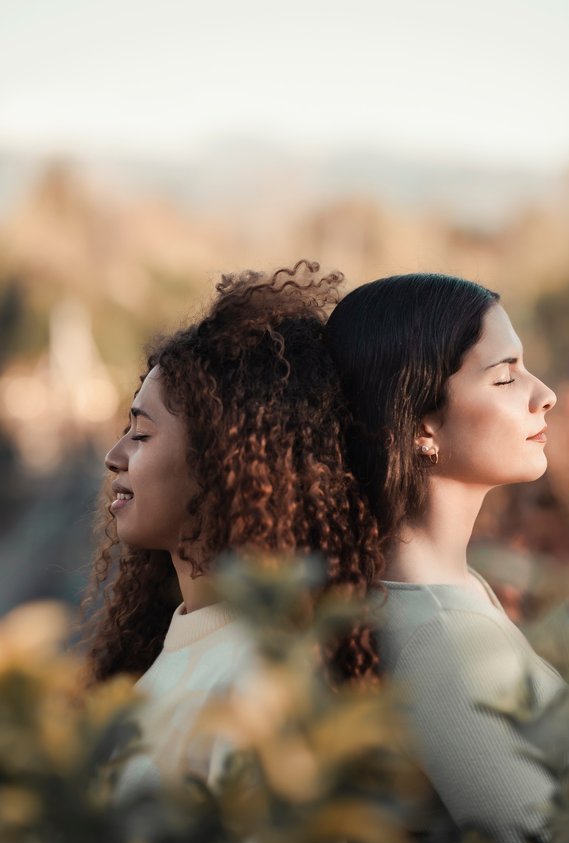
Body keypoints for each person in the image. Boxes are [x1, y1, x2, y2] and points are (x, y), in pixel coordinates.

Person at [324, 273, 569, 843]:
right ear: (421, 425)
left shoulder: (447, 593)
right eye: (505, 376)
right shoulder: (438, 635)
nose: (544, 394)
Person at [80, 260, 381, 796]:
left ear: (223, 460)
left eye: (141, 434)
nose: (114, 455)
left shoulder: (261, 686)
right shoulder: (166, 652)